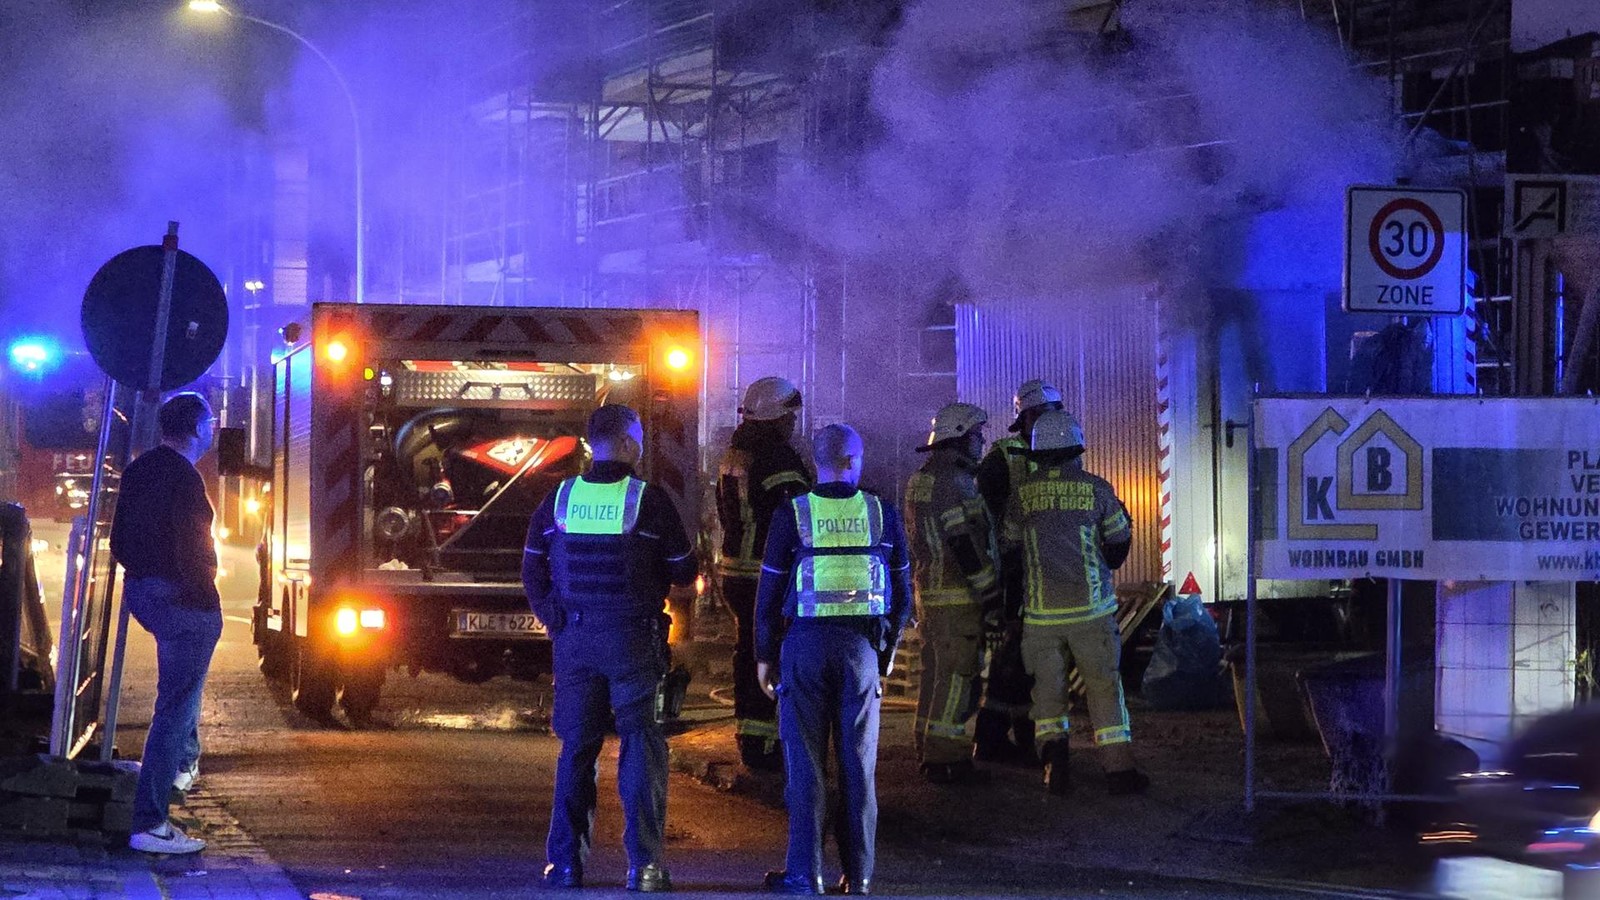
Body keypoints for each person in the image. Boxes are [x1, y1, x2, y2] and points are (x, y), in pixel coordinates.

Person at [523, 405, 696, 893]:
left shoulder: (559, 499)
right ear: (624, 443)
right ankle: (645, 868)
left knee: (577, 749)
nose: (640, 446)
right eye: (637, 437)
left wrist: (554, 617)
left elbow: (532, 567)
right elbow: (684, 570)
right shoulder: (649, 500)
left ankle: (565, 867)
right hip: (633, 640)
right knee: (640, 745)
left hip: (576, 641)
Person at [755, 424, 912, 896]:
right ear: (855, 460)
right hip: (861, 651)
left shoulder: (793, 513)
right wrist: (886, 654)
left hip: (804, 646)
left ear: (816, 461)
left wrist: (764, 656)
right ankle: (859, 875)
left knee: (805, 765)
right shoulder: (882, 513)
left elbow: (768, 594)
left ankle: (805, 875)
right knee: (858, 766)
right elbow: (903, 595)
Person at [1003, 409, 1147, 796]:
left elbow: (1010, 551)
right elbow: (1118, 546)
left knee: (1048, 694)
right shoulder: (1097, 489)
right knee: (1103, 688)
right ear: (1076, 449)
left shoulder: (1021, 495)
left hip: (1040, 617)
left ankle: (1054, 764)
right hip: (1091, 613)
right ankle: (1119, 771)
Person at [111, 392, 221, 855]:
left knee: (182, 689)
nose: (214, 428)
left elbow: (118, 540)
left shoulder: (139, 469)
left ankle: (183, 765)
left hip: (144, 592)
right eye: (210, 422)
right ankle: (151, 822)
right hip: (179, 599)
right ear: (195, 429)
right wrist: (204, 596)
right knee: (174, 709)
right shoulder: (185, 479)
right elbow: (193, 547)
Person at [715, 376, 810, 771]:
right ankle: (769, 743)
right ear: (776, 418)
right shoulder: (778, 460)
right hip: (765, 574)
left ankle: (752, 736)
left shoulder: (736, 454)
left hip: (735, 571)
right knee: (774, 654)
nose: (794, 423)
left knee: (748, 652)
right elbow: (797, 519)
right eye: (790, 416)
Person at [905, 403, 1001, 785]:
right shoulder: (955, 483)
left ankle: (926, 746)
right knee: (958, 678)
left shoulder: (921, 478)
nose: (981, 443)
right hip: (957, 597)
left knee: (935, 676)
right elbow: (963, 543)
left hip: (928, 595)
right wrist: (989, 591)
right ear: (960, 436)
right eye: (977, 435)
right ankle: (946, 759)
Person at [972, 379, 1065, 765]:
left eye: (1053, 413)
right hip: (1014, 571)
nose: (1049, 420)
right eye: (1042, 414)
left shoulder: (1061, 449)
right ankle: (996, 738)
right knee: (1013, 655)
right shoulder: (1002, 458)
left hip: (1048, 571)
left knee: (1032, 661)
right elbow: (988, 521)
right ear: (1025, 417)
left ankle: (1019, 738)